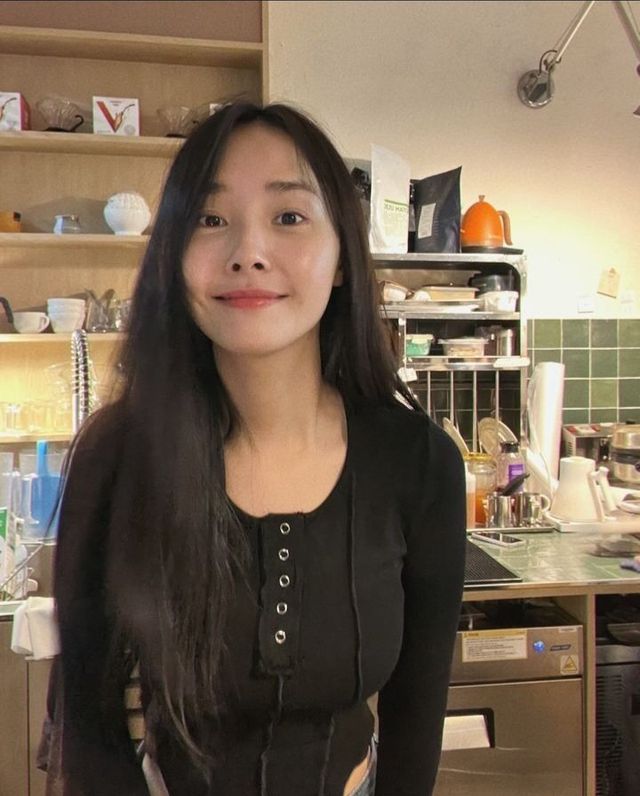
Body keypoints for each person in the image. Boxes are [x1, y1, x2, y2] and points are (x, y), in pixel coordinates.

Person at [52, 101, 466, 796]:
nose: (248, 252)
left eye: (289, 216)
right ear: (173, 256)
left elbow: (416, 721)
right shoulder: (117, 457)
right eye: (210, 220)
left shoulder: (417, 464)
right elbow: (88, 727)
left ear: (342, 258)